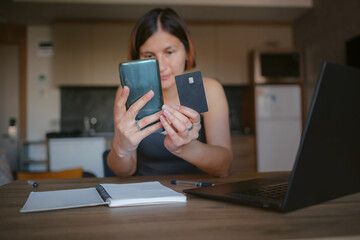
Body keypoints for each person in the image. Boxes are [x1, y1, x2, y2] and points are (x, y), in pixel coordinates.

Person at [107, 8, 233, 177]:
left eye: (170, 52)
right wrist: (121, 149)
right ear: (138, 57)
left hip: (197, 194)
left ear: (187, 52)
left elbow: (224, 166)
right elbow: (124, 171)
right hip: (145, 193)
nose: (161, 66)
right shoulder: (128, 93)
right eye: (148, 55)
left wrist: (185, 147)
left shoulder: (208, 89)